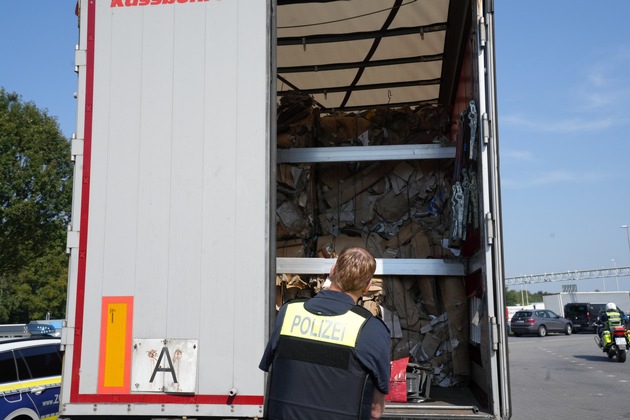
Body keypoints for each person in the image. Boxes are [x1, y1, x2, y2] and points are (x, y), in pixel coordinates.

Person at [259, 247, 391, 420]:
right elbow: (375, 411)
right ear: (367, 286)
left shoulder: (288, 313)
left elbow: (269, 378)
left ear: (332, 271)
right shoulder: (371, 329)